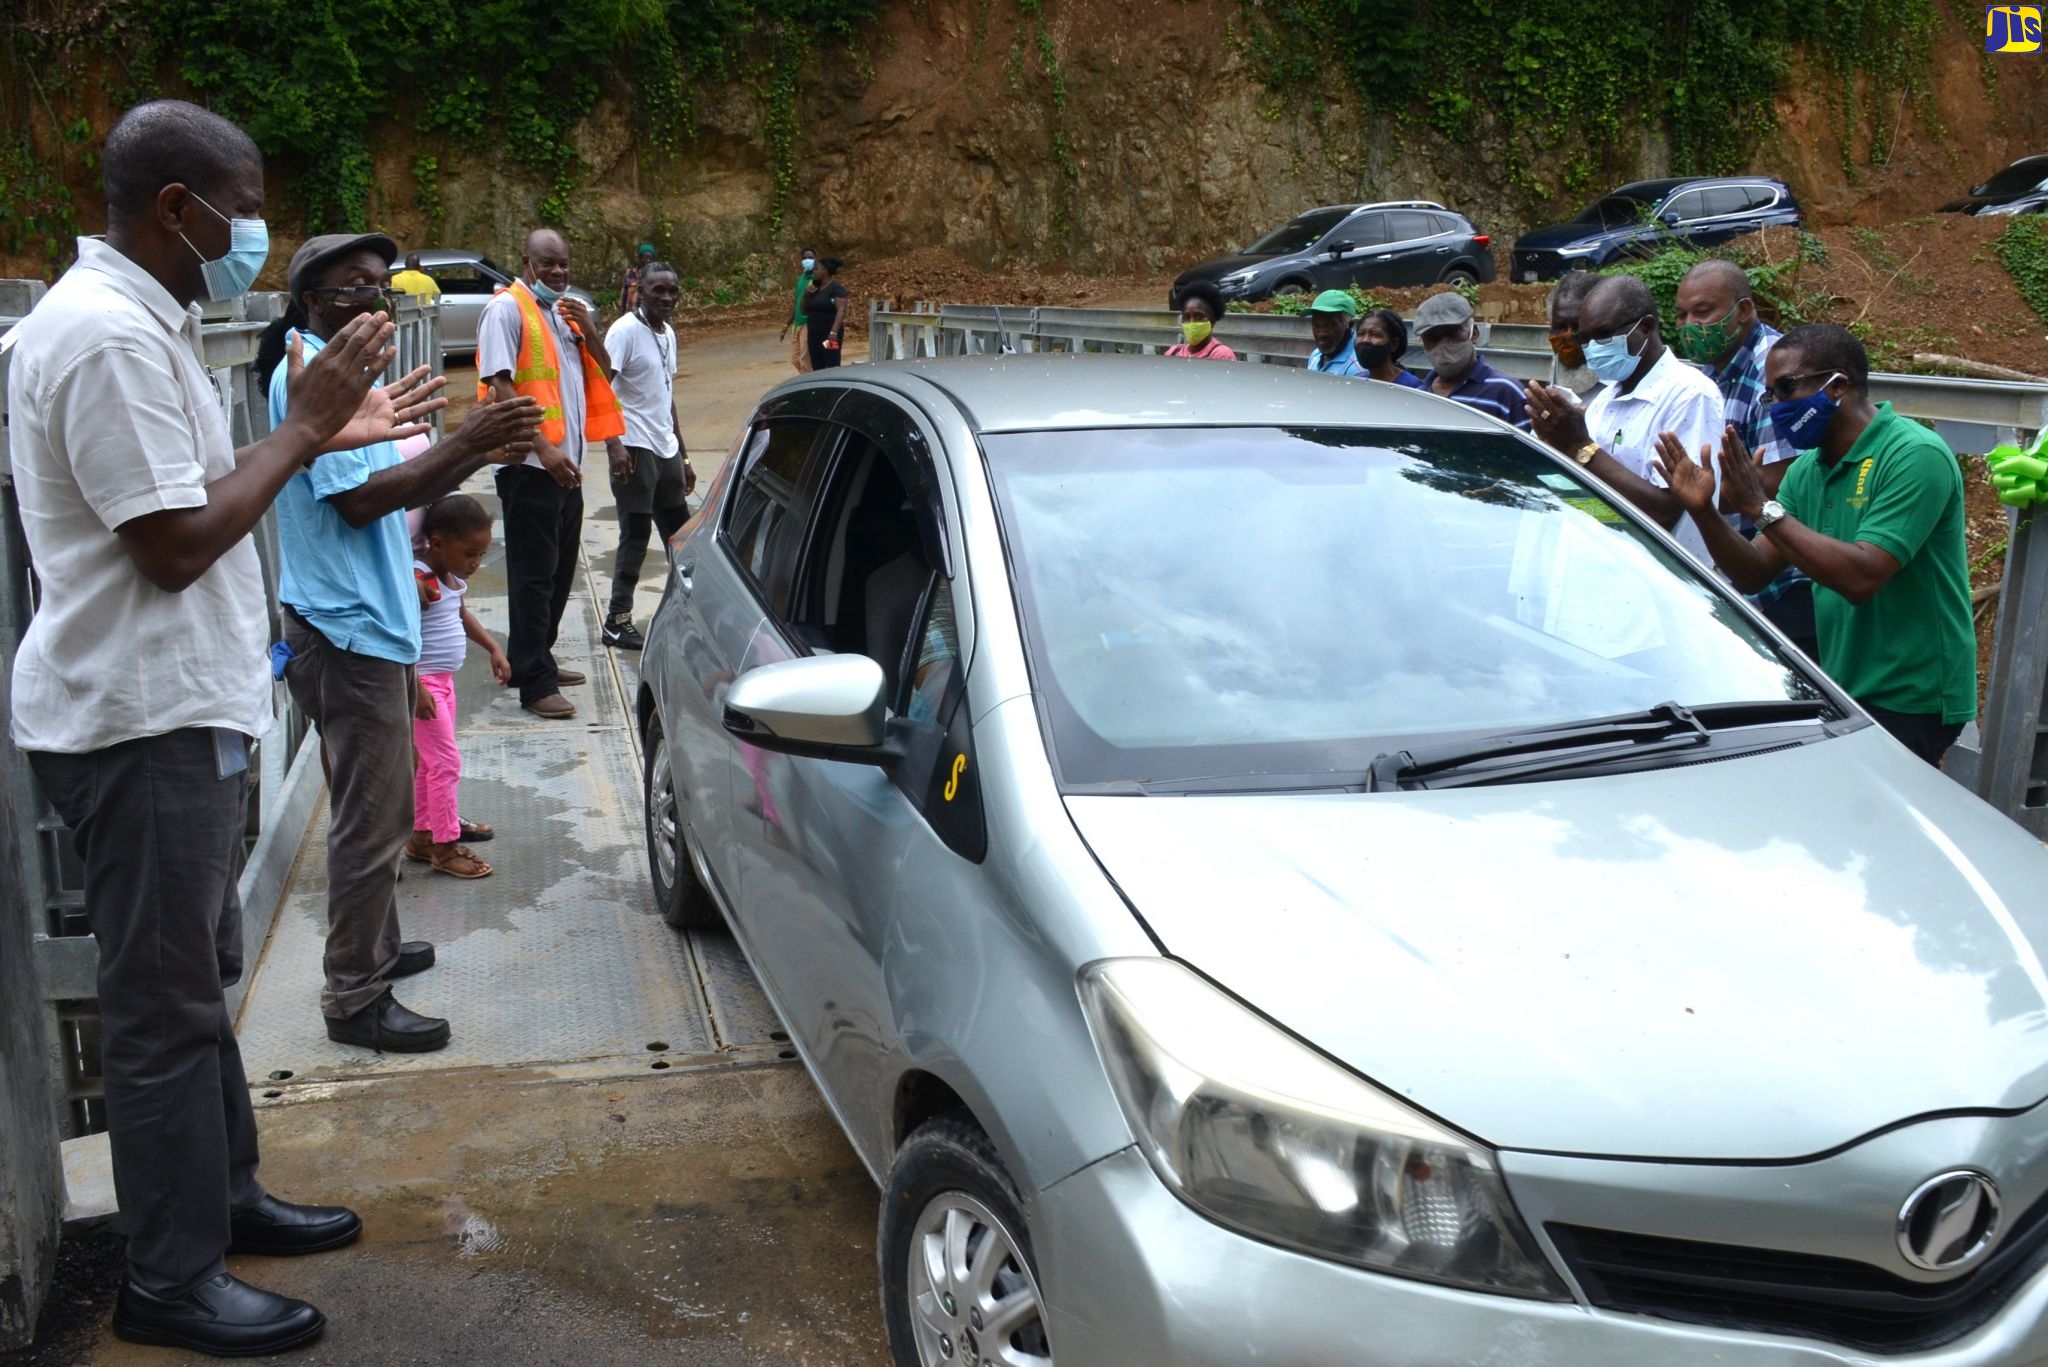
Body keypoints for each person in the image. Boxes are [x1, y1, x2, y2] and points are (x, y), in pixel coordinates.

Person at [5, 98, 437, 1357]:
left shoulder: (152, 321)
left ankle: (223, 1195)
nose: (256, 231)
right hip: (136, 724)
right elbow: (175, 542)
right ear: (176, 207)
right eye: (242, 209)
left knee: (198, 989)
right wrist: (301, 430)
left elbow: (191, 492)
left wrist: (311, 437)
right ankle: (170, 1274)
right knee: (161, 1010)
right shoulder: (103, 340)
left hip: (183, 710)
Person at [265, 233, 542, 1052]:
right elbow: (357, 503)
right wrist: (467, 443)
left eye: (380, 285)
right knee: (371, 819)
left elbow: (391, 494)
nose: (372, 300)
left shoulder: (345, 377)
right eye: (352, 286)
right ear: (312, 300)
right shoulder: (309, 377)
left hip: (371, 628)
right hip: (345, 634)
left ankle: (376, 947)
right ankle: (354, 994)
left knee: (382, 808)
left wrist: (463, 455)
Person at [1654, 325, 1977, 764]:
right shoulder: (1808, 470)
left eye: (1787, 388)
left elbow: (1863, 578)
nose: (1777, 406)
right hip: (1844, 685)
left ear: (1838, 385)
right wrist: (1704, 511)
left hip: (1912, 695)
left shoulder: (1914, 454)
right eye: (1770, 395)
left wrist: (1760, 508)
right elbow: (1753, 572)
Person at [477, 228, 629, 720]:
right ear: (526, 262)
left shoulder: (563, 313)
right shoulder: (506, 309)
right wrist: (543, 449)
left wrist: (590, 330)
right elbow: (500, 383)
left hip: (567, 467)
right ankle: (534, 684)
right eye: (548, 263)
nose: (558, 272)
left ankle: (535, 658)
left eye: (563, 263)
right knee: (533, 577)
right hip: (531, 467)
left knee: (559, 573)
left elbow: (604, 372)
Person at [1524, 274, 1724, 566]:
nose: (1593, 348)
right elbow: (1598, 502)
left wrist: (1579, 447)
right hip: (1609, 573)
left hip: (1665, 579)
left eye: (1603, 335)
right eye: (1585, 339)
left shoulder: (1690, 394)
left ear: (1646, 327)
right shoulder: (1604, 401)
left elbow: (1665, 512)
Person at [1673, 258, 1817, 658]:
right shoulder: (1707, 373)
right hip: (1733, 576)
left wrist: (1688, 496)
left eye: (1703, 312)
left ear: (1744, 311)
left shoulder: (1774, 369)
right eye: (1682, 315)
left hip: (1784, 584)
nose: (1690, 326)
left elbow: (1781, 482)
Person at [406, 494, 508, 878]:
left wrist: (493, 647)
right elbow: (402, 635)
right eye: (469, 553)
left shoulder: (450, 578)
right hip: (424, 686)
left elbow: (461, 615)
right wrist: (415, 686)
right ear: (437, 543)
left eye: (481, 554)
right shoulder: (420, 581)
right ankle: (445, 848)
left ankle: (421, 836)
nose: (476, 563)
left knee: (429, 765)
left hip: (444, 683)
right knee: (446, 764)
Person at [601, 260, 695, 650]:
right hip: (634, 446)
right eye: (658, 290)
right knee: (637, 535)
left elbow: (665, 395)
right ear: (640, 291)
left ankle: (689, 610)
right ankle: (617, 620)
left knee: (679, 535)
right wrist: (613, 444)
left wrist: (683, 455)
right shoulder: (624, 332)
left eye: (673, 291)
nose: (667, 297)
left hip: (664, 446)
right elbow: (600, 389)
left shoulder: (667, 333)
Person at [1416, 291, 1529, 427]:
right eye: (1433, 337)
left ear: (1474, 333)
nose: (1443, 345)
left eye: (1452, 333)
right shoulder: (1418, 396)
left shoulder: (1506, 391)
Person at [1545, 271, 1599, 394]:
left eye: (1577, 326)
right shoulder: (1554, 382)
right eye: (1560, 326)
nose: (1567, 336)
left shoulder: (1618, 389)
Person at [1164, 281, 1236, 360]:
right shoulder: (1174, 352)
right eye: (1186, 317)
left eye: (1199, 317)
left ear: (1213, 320)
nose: (1192, 323)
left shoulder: (1221, 356)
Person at [1355, 307, 1424, 387]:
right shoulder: (1358, 382)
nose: (1365, 340)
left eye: (1375, 334)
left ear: (1394, 344)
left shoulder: (1412, 387)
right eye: (1360, 334)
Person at [1304, 290, 1366, 376]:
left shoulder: (1357, 370)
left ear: (1349, 325)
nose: (1321, 333)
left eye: (1330, 325)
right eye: (1316, 324)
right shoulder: (1316, 355)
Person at [805, 256, 850, 370]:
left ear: (825, 270)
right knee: (817, 366)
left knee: (831, 363)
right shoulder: (814, 289)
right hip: (813, 335)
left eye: (816, 269)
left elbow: (841, 311)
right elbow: (803, 309)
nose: (814, 272)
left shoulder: (836, 289)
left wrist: (833, 332)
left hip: (829, 335)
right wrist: (806, 295)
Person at [780, 245, 816, 374]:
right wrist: (786, 325)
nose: (807, 260)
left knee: (805, 359)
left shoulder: (817, 279)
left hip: (808, 323)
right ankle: (809, 378)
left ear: (815, 259)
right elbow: (796, 302)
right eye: (805, 258)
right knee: (795, 359)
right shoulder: (800, 279)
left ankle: (809, 382)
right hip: (797, 324)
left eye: (810, 257)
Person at [621, 241, 654, 313]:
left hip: (648, 314)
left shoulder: (656, 276)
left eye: (650, 259)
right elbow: (623, 297)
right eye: (645, 258)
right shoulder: (630, 274)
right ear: (640, 259)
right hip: (631, 314)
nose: (647, 261)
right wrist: (621, 314)